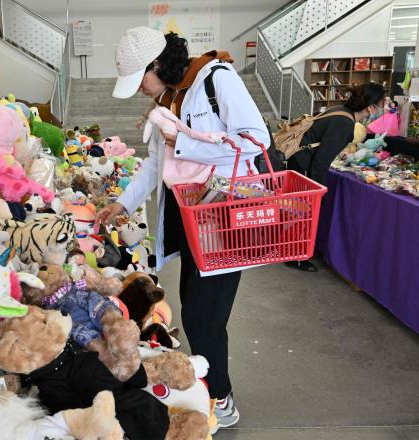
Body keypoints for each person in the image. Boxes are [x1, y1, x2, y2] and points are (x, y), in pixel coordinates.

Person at [97, 27, 270, 429]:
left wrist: (185, 141)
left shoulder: (217, 79)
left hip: (227, 218)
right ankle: (210, 388)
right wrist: (122, 202)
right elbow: (157, 163)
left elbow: (254, 140)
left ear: (157, 64)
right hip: (195, 221)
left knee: (203, 317)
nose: (140, 89)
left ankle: (222, 400)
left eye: (141, 78)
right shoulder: (169, 96)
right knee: (193, 305)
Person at [286, 82, 385, 272]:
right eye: (380, 105)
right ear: (371, 107)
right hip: (305, 165)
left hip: (300, 161)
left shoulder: (340, 111)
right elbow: (321, 161)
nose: (380, 110)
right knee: (305, 211)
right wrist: (319, 189)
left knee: (299, 210)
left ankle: (295, 252)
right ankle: (296, 256)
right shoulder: (344, 123)